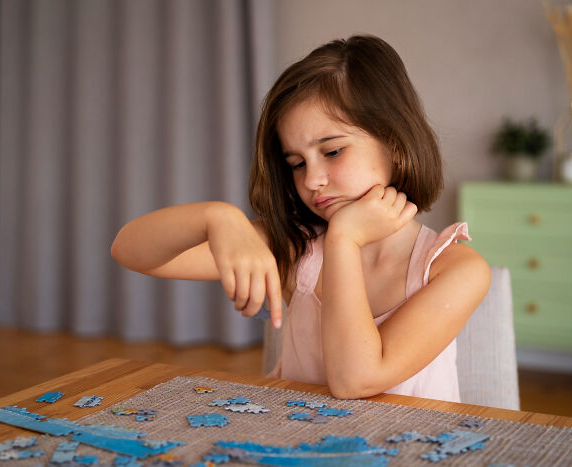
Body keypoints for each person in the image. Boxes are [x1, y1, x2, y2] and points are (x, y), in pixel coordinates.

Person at [111, 35, 490, 402]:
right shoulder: (296, 249)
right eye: (296, 163)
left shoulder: (456, 270)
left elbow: (355, 380)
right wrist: (217, 217)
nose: (311, 181)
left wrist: (343, 240)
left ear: (393, 142)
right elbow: (129, 250)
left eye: (333, 151)